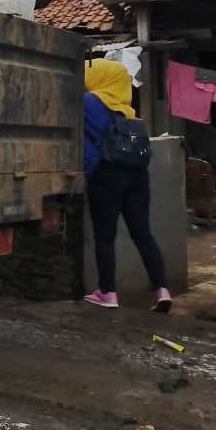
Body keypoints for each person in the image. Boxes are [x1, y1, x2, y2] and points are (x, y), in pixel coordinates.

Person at [81, 59, 172, 312]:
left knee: (105, 236)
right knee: (143, 234)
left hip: (106, 176)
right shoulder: (129, 112)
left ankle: (108, 292)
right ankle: (162, 289)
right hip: (137, 177)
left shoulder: (90, 103)